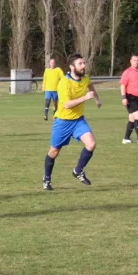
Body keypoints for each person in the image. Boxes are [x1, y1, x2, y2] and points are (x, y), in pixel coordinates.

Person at [42, 54, 102, 191]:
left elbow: (90, 86)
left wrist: (97, 99)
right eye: (80, 64)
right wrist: (86, 97)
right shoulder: (64, 82)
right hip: (62, 122)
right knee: (54, 152)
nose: (83, 66)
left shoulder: (85, 78)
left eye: (83, 63)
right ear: (72, 67)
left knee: (91, 144)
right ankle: (46, 179)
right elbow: (67, 104)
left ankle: (78, 171)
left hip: (78, 120)